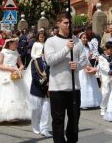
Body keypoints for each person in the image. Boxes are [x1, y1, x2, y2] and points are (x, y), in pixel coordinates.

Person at [44, 11, 86, 143]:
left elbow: (84, 60)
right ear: (58, 24)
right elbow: (50, 60)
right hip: (57, 88)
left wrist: (78, 65)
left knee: (74, 121)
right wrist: (66, 49)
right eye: (65, 23)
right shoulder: (51, 41)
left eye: (70, 22)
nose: (68, 25)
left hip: (74, 87)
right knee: (58, 121)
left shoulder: (77, 41)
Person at [0, 37, 30, 122]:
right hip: (4, 74)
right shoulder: (3, 52)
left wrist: (19, 69)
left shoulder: (16, 53)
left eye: (16, 43)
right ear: (10, 44)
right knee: (5, 93)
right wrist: (9, 68)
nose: (16, 45)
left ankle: (13, 115)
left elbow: (21, 64)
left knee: (15, 93)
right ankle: (4, 114)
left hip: (15, 74)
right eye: (15, 43)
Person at [30, 49, 52, 137]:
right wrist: (43, 83)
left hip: (48, 90)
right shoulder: (35, 61)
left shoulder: (52, 62)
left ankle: (44, 129)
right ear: (42, 53)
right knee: (36, 109)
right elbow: (34, 76)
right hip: (37, 88)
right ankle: (35, 126)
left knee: (46, 110)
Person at [78, 31, 102, 109]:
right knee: (83, 83)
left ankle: (93, 101)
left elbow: (88, 57)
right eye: (83, 38)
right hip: (81, 67)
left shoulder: (87, 47)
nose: (85, 39)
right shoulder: (78, 47)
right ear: (80, 39)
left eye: (86, 38)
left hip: (88, 65)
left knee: (90, 84)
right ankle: (82, 102)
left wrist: (89, 57)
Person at [97, 41, 112, 116]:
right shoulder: (101, 57)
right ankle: (103, 107)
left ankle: (111, 107)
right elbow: (102, 67)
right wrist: (110, 72)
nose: (111, 52)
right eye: (110, 50)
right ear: (106, 49)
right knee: (106, 92)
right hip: (105, 76)